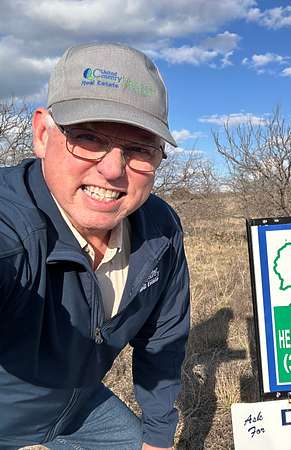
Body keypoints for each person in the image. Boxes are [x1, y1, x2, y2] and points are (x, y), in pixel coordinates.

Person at [0, 43, 190, 450]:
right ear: (42, 134)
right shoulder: (12, 228)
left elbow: (163, 341)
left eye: (140, 148)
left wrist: (158, 437)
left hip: (81, 407)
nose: (112, 169)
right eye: (88, 138)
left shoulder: (160, 230)